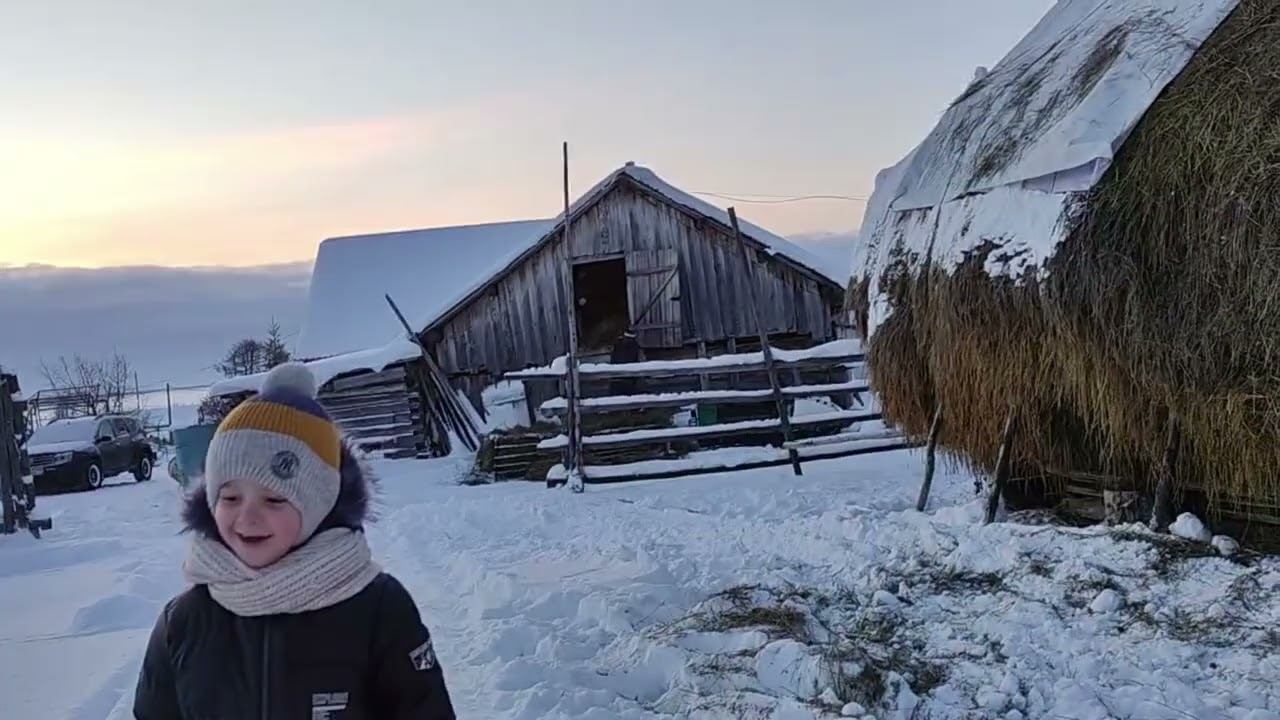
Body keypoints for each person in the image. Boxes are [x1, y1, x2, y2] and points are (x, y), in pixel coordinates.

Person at [134, 363, 455, 719]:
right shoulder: (183, 622)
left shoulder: (377, 609)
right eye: (229, 498)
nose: (248, 517)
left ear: (317, 504)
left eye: (274, 500)